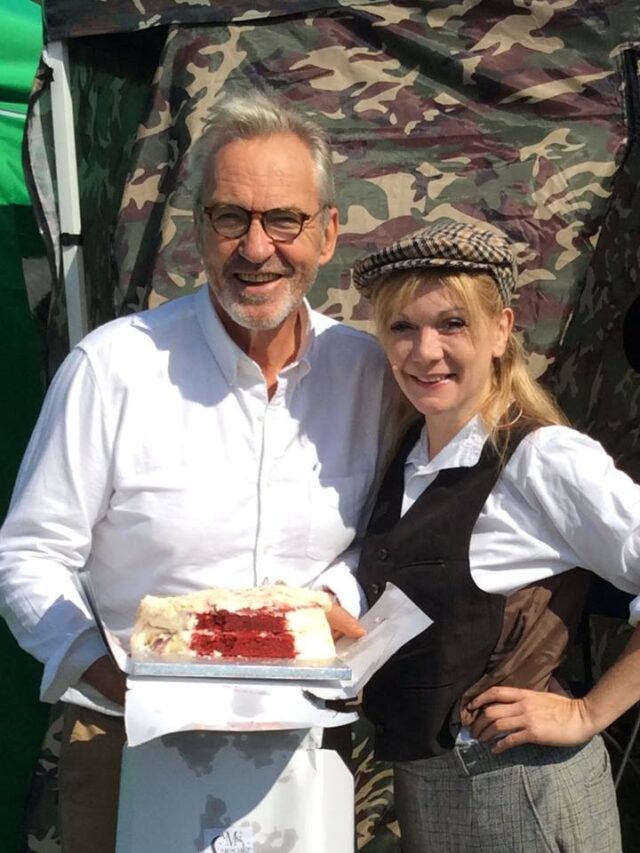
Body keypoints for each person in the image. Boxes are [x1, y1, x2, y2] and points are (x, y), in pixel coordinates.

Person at [0, 92, 385, 853]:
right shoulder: (113, 368)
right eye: (230, 217)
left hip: (304, 742)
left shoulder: (367, 372)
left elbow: (376, 536)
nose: (255, 247)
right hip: (126, 739)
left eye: (285, 220)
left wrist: (324, 608)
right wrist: (121, 681)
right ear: (199, 229)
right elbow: (29, 556)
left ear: (329, 232)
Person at [350, 220, 640, 852]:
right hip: (430, 787)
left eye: (452, 324)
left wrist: (588, 713)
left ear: (501, 330)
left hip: (522, 791)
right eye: (403, 327)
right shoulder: (407, 452)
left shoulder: (542, 458)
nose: (425, 351)